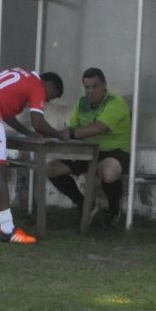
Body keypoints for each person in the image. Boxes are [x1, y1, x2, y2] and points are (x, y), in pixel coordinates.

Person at [0, 67, 65, 244]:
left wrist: (25, 132)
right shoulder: (37, 85)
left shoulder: (21, 75)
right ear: (49, 84)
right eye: (50, 96)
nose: (46, 100)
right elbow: (38, 123)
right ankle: (8, 229)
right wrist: (59, 134)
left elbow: (6, 113)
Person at [47, 68, 132, 230]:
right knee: (51, 168)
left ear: (104, 85)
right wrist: (63, 134)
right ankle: (85, 204)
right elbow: (72, 125)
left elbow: (98, 127)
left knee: (108, 172)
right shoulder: (82, 102)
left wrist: (70, 133)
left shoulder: (116, 102)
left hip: (115, 151)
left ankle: (113, 211)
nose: (91, 91)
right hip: (86, 151)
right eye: (87, 87)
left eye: (95, 86)